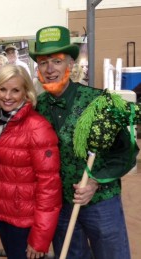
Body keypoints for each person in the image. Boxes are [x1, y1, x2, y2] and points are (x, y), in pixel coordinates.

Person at [29, 25, 139, 259]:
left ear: (71, 65)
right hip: (61, 206)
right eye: (43, 62)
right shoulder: (36, 107)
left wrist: (95, 182)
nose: (49, 69)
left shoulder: (100, 102)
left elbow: (127, 152)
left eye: (57, 61)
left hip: (102, 203)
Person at [0, 64, 62, 259]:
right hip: (3, 214)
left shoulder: (37, 127)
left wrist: (40, 238)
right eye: (2, 89)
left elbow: (49, 186)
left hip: (26, 222)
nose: (7, 96)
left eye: (15, 90)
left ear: (26, 92)